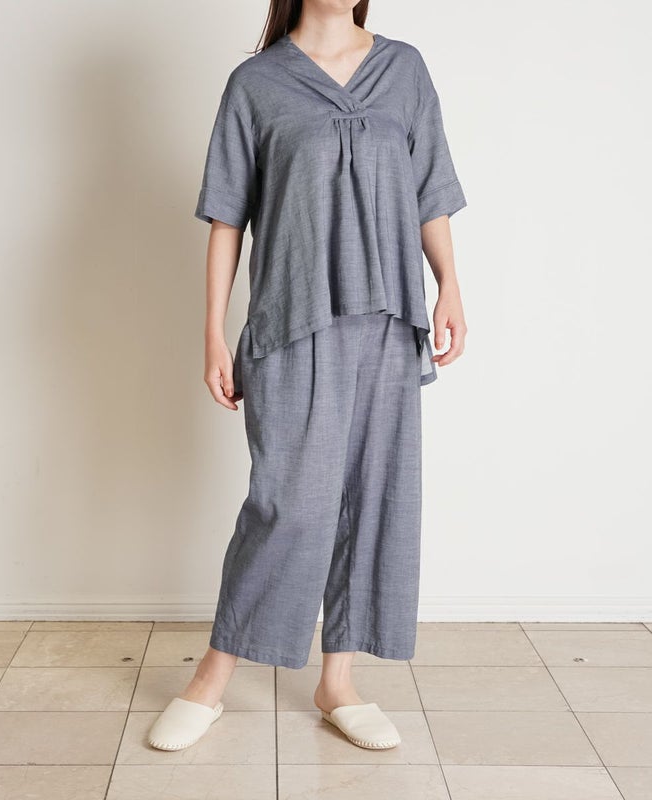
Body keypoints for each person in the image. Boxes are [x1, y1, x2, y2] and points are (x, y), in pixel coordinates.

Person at [149, 0, 468, 752]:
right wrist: (213, 331)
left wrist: (449, 284)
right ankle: (211, 679)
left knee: (373, 497)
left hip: (388, 318)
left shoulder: (405, 69)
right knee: (288, 503)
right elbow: (227, 217)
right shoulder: (257, 83)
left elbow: (430, 191)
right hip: (294, 319)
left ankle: (339, 682)